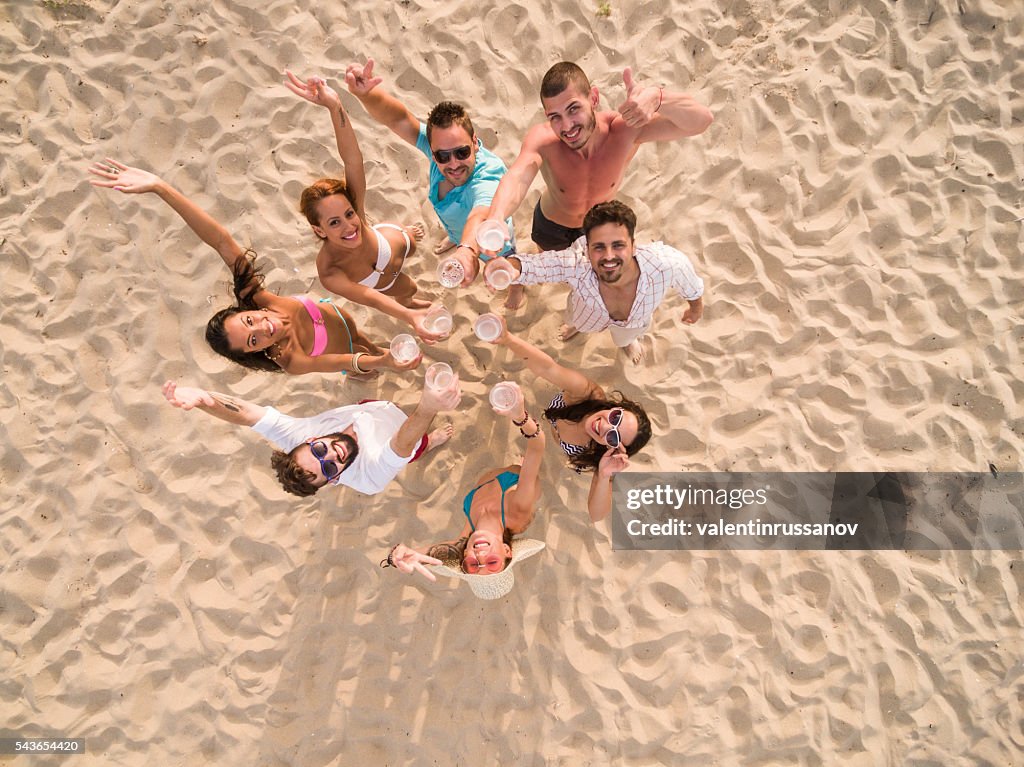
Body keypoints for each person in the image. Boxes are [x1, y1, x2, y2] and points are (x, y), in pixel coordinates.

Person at [88, 159, 418, 379]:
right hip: (338, 350)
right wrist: (381, 362)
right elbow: (342, 361)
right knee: (365, 362)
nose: (263, 328)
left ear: (244, 309)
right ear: (255, 352)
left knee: (363, 338)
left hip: (341, 319)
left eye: (249, 321)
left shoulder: (257, 297)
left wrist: (162, 188)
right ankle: (375, 365)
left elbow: (219, 240)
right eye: (254, 340)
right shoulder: (290, 359)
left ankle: (375, 351)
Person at [483, 61, 712, 309]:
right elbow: (518, 176)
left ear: (593, 98)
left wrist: (659, 98)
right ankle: (532, 285)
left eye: (573, 109)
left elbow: (701, 122)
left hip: (595, 229)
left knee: (596, 279)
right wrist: (496, 216)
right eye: (555, 117)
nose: (567, 126)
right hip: (552, 224)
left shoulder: (624, 130)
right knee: (547, 262)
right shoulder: (544, 139)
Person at [342, 58, 521, 304]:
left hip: (491, 240)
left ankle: (517, 288)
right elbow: (398, 119)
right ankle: (456, 239)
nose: (454, 163)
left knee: (506, 264)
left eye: (462, 152)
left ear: (475, 142)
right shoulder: (437, 146)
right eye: (442, 156)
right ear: (433, 149)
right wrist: (367, 95)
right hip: (459, 230)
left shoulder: (489, 175)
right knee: (458, 234)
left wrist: (468, 251)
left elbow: (480, 215)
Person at [285, 72, 445, 344]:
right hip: (382, 281)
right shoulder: (329, 270)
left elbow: (352, 159)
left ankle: (406, 233)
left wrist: (335, 106)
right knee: (409, 288)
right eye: (334, 222)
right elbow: (371, 298)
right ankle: (412, 301)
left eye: (349, 214)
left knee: (411, 243)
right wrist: (409, 316)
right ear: (318, 229)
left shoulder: (357, 214)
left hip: (390, 241)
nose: (350, 225)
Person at [161, 374, 459, 497]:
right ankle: (432, 443)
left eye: (318, 451)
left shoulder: (298, 436)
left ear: (306, 443)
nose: (331, 455)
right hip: (408, 435)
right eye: (328, 468)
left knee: (383, 409)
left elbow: (246, 414)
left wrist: (203, 399)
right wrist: (428, 408)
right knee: (417, 448)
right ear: (334, 479)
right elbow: (399, 446)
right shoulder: (369, 479)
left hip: (372, 411)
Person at [484, 200, 704, 364]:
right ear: (587, 249)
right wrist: (509, 267)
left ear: (633, 245)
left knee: (626, 336)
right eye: (599, 247)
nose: (608, 256)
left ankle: (626, 342)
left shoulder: (666, 264)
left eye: (618, 245)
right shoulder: (576, 265)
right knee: (576, 320)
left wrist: (695, 308)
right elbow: (537, 266)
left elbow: (690, 284)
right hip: (584, 314)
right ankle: (577, 327)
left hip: (634, 321)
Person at [383, 382, 546, 599]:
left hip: (486, 482)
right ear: (507, 552)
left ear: (464, 555)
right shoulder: (517, 510)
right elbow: (537, 446)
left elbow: (419, 554)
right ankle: (521, 468)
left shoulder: (465, 539)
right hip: (515, 479)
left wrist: (396, 556)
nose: (480, 554)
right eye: (491, 562)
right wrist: (520, 416)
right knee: (528, 471)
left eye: (473, 563)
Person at [482, 315, 651, 523]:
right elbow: (548, 368)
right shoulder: (587, 395)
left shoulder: (601, 455)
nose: (605, 425)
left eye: (614, 437)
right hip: (557, 417)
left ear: (614, 448)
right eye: (616, 417)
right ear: (616, 407)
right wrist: (508, 339)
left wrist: (604, 475)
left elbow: (597, 515)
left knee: (557, 440)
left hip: (562, 441)